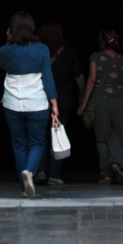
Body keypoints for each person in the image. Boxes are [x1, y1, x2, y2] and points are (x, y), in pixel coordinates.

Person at [0, 11, 59, 198]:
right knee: (38, 142)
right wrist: (54, 104)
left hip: (12, 103)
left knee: (19, 145)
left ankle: (25, 188)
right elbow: (47, 79)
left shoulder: (5, 50)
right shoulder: (42, 50)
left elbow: (2, 65)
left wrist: (9, 42)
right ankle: (30, 172)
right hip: (37, 104)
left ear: (12, 30)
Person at [78, 28, 123, 185]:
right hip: (121, 100)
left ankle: (106, 174)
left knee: (102, 137)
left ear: (102, 42)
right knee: (119, 132)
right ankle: (119, 162)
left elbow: (92, 80)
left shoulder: (96, 57)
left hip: (102, 100)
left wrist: (84, 103)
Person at [39, 20, 85, 185]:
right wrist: (82, 97)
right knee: (57, 134)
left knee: (41, 137)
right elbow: (79, 76)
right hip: (63, 99)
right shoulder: (69, 53)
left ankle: (41, 171)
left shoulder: (39, 52)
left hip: (41, 98)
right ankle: (54, 174)